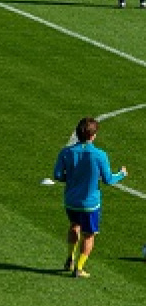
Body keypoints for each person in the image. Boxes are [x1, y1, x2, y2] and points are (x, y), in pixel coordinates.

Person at [53, 117, 127, 278]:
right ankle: (78, 268)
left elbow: (57, 175)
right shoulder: (99, 155)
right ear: (93, 135)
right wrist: (122, 174)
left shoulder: (66, 152)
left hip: (71, 201)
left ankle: (69, 259)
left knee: (74, 225)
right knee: (89, 234)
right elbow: (108, 179)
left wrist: (73, 179)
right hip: (90, 203)